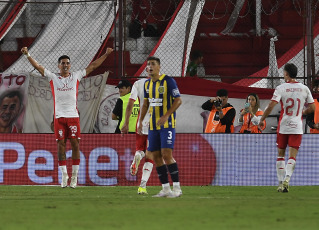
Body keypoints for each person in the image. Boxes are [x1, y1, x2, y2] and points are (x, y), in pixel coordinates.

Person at [21, 46, 114, 188]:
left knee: (76, 144)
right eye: (63, 63)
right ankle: (64, 176)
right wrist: (28, 55)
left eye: (67, 63)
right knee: (61, 145)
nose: (65, 65)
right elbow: (39, 67)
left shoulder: (76, 76)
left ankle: (74, 177)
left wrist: (106, 55)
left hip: (73, 117)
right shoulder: (53, 77)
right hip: (59, 117)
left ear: (70, 65)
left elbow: (93, 66)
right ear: (59, 66)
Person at [258, 63, 315, 193]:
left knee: (280, 155)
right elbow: (312, 108)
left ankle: (279, 184)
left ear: (286, 74)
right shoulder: (304, 88)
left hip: (283, 126)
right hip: (297, 126)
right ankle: (287, 180)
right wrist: (302, 112)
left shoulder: (281, 88)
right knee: (292, 156)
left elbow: (271, 105)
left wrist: (262, 119)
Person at [137, 56, 182, 198]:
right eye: (148, 64)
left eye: (153, 64)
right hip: (152, 126)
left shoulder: (168, 81)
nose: (149, 66)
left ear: (159, 66)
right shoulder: (147, 84)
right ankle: (165, 189)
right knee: (155, 156)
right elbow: (145, 104)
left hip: (167, 124)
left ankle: (177, 189)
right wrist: (140, 121)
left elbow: (178, 100)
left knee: (166, 155)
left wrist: (166, 115)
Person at [121, 68, 154, 195]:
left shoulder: (138, 84)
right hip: (154, 124)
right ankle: (142, 186)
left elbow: (130, 104)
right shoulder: (162, 84)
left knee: (141, 150)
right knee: (151, 155)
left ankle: (139, 155)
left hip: (140, 124)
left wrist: (126, 123)